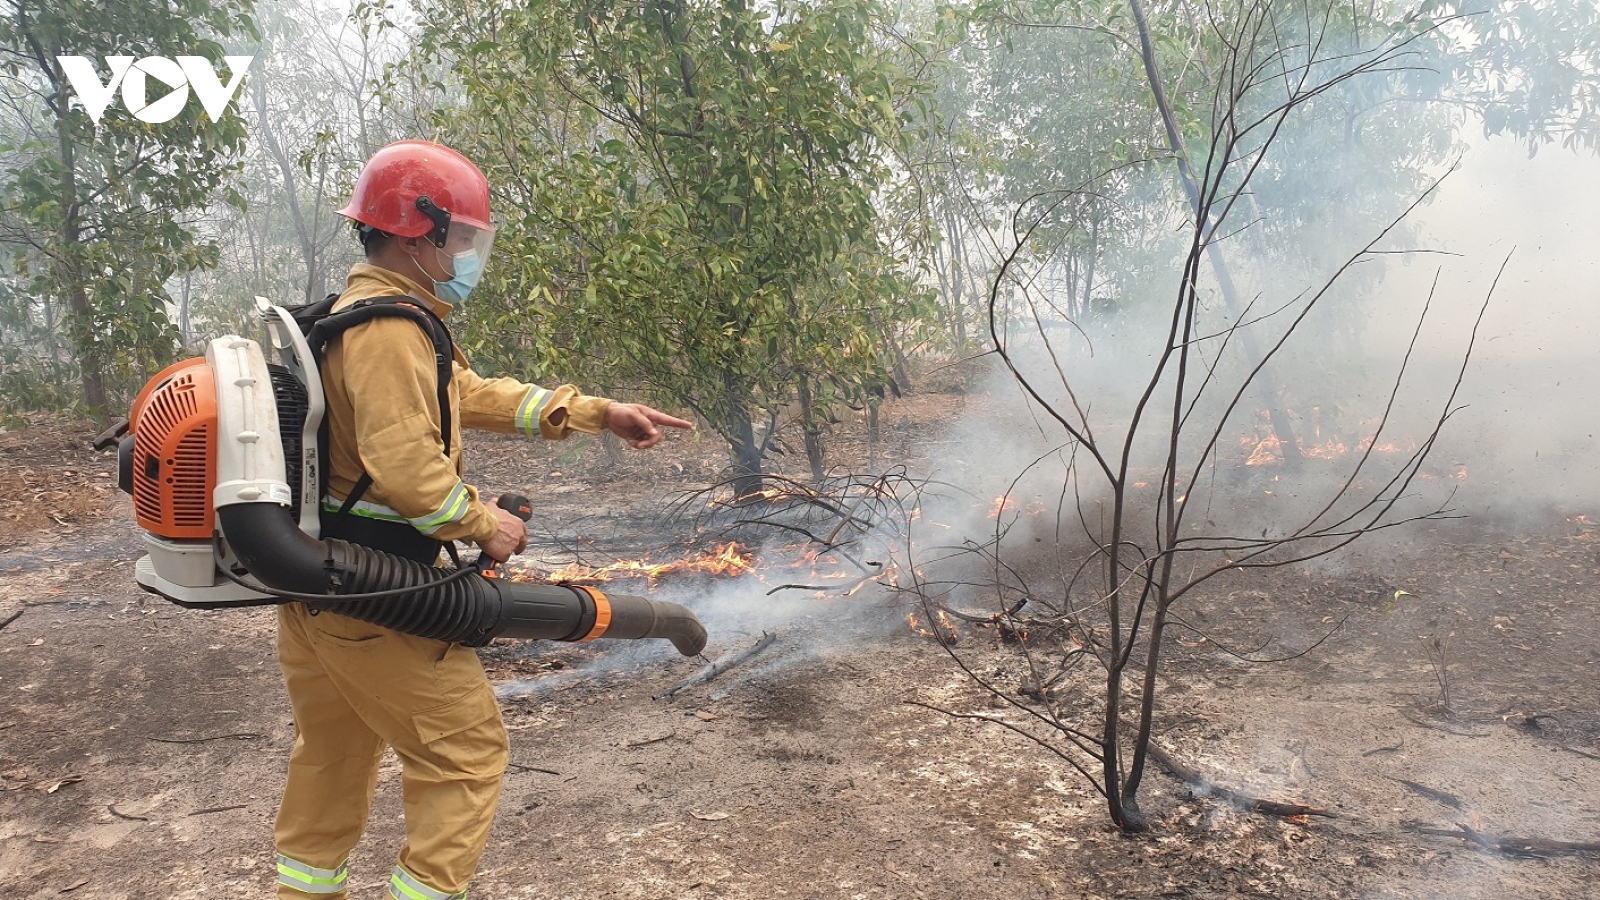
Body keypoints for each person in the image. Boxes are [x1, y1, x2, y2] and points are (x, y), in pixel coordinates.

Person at [272, 140, 692, 900]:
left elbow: (467, 393)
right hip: (380, 595)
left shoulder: (364, 317)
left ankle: (304, 890)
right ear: (414, 233)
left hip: (322, 593)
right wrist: (482, 523)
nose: (468, 252)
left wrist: (596, 412)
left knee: (331, 756)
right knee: (465, 755)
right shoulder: (389, 331)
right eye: (460, 237)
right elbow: (404, 466)